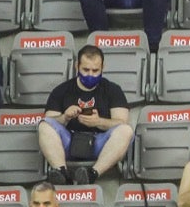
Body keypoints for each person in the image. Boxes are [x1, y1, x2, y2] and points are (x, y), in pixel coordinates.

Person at [39, 45, 136, 184]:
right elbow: (49, 121)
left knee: (126, 131)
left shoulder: (113, 90)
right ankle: (62, 173)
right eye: (85, 70)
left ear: (103, 67)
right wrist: (65, 117)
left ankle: (92, 174)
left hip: (100, 143)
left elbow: (122, 122)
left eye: (95, 70)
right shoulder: (61, 90)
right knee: (44, 126)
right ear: (77, 66)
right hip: (70, 141)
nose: (90, 74)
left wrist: (99, 122)